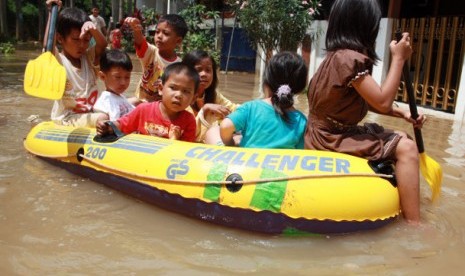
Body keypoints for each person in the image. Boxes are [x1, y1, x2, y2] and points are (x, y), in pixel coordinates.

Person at [304, 0, 426, 223]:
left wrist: (403, 114)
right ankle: (415, 225)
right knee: (407, 147)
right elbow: (381, 102)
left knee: (402, 136)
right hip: (331, 138)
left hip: (320, 134)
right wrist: (398, 58)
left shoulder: (335, 57)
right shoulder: (350, 59)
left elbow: (366, 100)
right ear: (366, 26)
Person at [205, 51, 308, 149]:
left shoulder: (251, 107)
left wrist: (231, 144)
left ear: (266, 82)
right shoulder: (302, 121)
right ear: (300, 88)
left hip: (247, 162)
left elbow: (225, 126)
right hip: (278, 165)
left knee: (213, 131)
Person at [96, 62, 199, 142]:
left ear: (193, 98)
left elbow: (186, 152)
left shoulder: (189, 121)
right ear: (160, 89)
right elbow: (124, 124)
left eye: (186, 91)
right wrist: (108, 127)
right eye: (173, 88)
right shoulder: (144, 109)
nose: (178, 95)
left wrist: (175, 140)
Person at [46, 0, 108, 127]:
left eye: (86, 40)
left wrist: (93, 29)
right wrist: (52, 14)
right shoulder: (58, 61)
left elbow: (102, 45)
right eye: (75, 39)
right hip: (68, 118)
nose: (82, 45)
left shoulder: (88, 58)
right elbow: (48, 46)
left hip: (89, 114)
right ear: (59, 38)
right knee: (103, 117)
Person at [124, 14, 188, 104]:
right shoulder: (151, 52)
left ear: (178, 41)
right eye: (157, 32)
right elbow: (140, 43)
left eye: (166, 33)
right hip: (141, 101)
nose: (159, 36)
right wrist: (136, 30)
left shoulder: (180, 66)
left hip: (162, 106)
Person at [182, 50, 239, 142]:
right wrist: (205, 109)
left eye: (208, 70)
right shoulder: (180, 97)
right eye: (198, 70)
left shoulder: (214, 95)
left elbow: (233, 108)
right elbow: (187, 132)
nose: (204, 74)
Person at [93, 49, 134, 121]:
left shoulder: (121, 97)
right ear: (103, 76)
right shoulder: (104, 103)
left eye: (127, 77)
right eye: (118, 77)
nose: (123, 82)